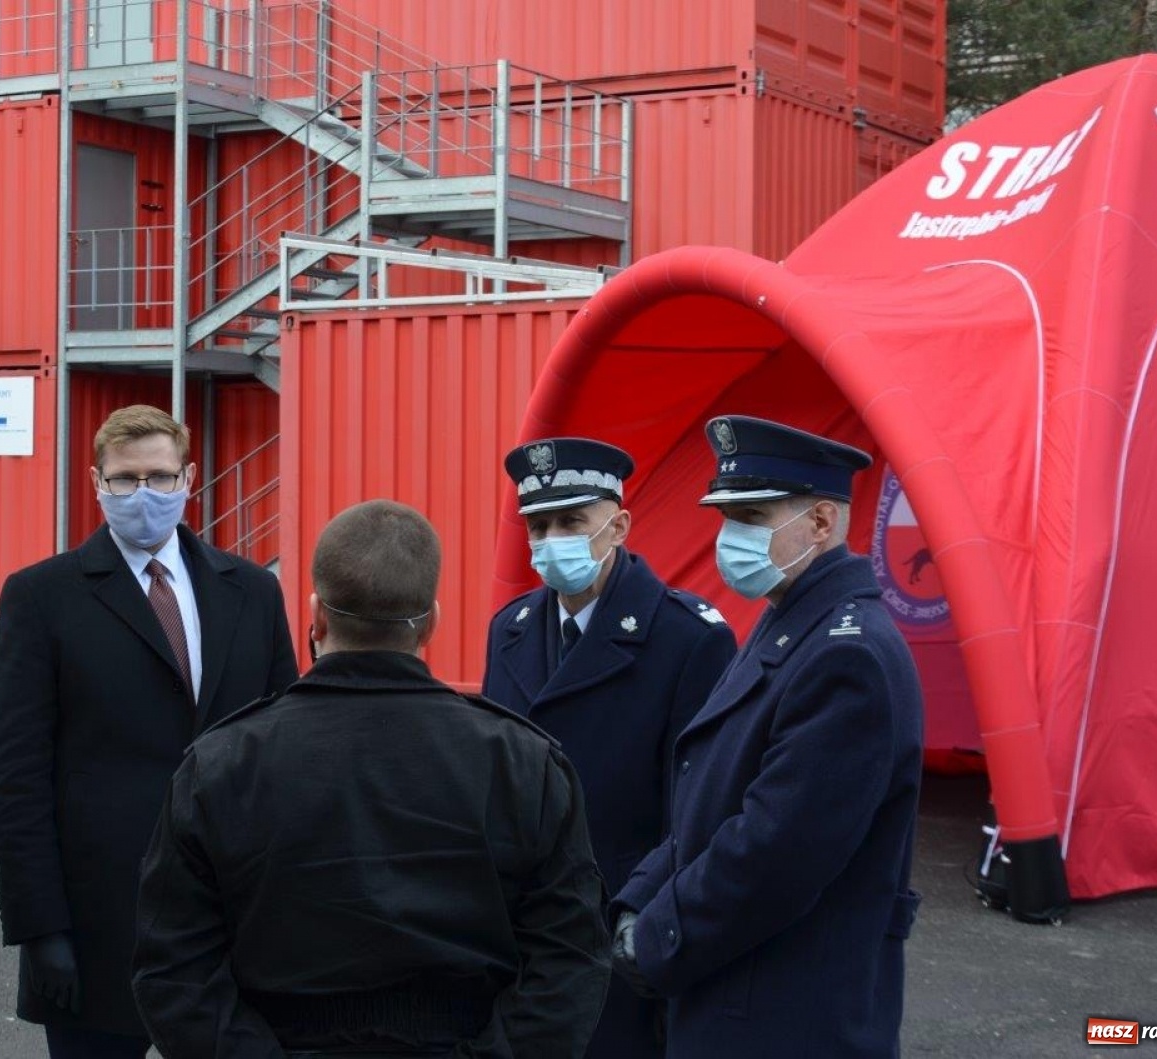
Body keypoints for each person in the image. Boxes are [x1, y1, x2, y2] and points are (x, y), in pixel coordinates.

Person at [132, 499, 612, 1058]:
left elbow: (173, 970)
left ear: (315, 617)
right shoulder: (521, 761)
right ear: (431, 622)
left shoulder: (223, 763)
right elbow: (571, 961)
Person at [0, 404, 299, 1057]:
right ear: (97, 482)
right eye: (126, 479)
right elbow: (13, 775)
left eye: (159, 476)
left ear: (189, 477)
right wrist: (40, 927)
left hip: (232, 917)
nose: (144, 494)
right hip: (98, 925)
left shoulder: (252, 592)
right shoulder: (42, 597)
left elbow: (286, 745)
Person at [610, 415, 925, 1059]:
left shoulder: (848, 657)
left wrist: (660, 935)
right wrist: (636, 899)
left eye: (752, 516)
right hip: (744, 992)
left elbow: (774, 850)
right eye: (727, 518)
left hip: (785, 1011)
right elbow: (712, 797)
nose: (731, 538)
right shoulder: (792, 618)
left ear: (819, 523)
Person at [481, 436, 736, 1059]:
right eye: (539, 526)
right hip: (517, 933)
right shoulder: (510, 631)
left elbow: (697, 813)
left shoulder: (687, 639)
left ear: (618, 525)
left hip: (619, 930)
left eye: (572, 521)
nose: (552, 541)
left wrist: (649, 929)